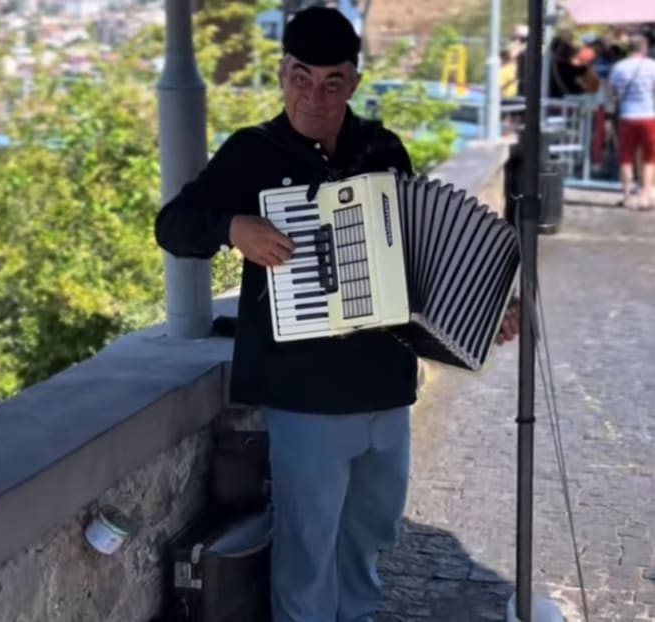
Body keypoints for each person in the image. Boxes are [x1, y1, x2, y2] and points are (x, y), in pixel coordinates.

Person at [154, 7, 519, 622]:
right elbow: (174, 227)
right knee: (306, 551)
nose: (313, 96)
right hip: (306, 395)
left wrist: (484, 309)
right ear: (282, 73)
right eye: (300, 77)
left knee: (368, 539)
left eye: (331, 81)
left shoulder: (382, 148)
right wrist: (232, 226)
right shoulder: (252, 153)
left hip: (385, 388)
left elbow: (418, 259)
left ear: (352, 82)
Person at [608, 34, 655, 210]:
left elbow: (612, 93)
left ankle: (627, 195)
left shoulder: (619, 67)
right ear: (645, 48)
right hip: (648, 116)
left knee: (626, 158)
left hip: (627, 116)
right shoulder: (652, 66)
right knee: (650, 158)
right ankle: (645, 195)